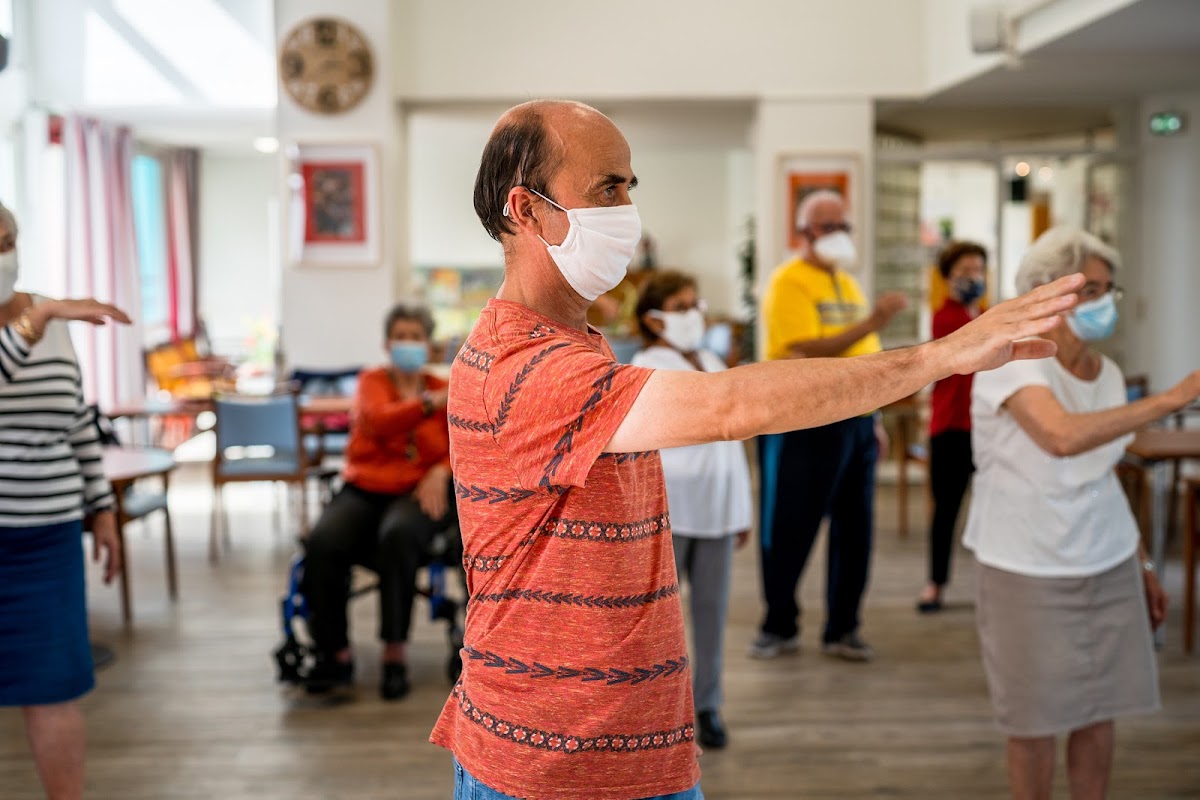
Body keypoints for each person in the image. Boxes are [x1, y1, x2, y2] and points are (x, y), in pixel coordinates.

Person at [428, 99, 1083, 800]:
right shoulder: (521, 365)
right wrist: (939, 357)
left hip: (631, 745)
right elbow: (731, 406)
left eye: (629, 186)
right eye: (608, 189)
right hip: (551, 762)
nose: (627, 209)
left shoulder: (575, 342)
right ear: (527, 210)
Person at [965, 226, 1200, 800]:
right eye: (1089, 288)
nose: (1102, 301)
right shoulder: (1011, 361)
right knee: (1035, 721)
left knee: (1100, 711)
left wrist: (1142, 563)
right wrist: (1170, 400)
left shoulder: (1109, 374)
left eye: (1108, 289)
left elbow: (1103, 473)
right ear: (1047, 291)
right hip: (1026, 566)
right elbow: (1063, 438)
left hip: (1109, 558)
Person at [0, 201, 130, 800]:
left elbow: (77, 421)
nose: (5, 255)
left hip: (47, 538)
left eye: (8, 241)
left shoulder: (47, 317)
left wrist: (101, 507)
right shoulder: (43, 318)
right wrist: (41, 318)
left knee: (53, 690)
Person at [752, 189, 910, 663]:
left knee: (855, 529)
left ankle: (843, 627)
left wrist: (874, 417)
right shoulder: (788, 282)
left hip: (855, 426)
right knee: (788, 527)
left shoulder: (846, 283)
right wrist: (874, 320)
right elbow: (805, 350)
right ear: (803, 233)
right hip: (803, 423)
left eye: (844, 225)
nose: (838, 235)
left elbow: (862, 358)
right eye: (828, 226)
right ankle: (778, 625)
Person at [300, 302, 453, 701]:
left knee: (399, 536)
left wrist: (443, 469)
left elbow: (470, 442)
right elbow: (378, 421)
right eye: (400, 336)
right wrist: (427, 405)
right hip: (364, 487)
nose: (407, 344)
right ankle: (335, 652)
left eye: (415, 337)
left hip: (418, 489)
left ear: (429, 345)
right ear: (387, 343)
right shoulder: (372, 382)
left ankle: (394, 652)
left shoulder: (443, 389)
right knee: (323, 543)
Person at [630, 270, 753, 750]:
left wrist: (740, 509)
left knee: (712, 612)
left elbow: (732, 439)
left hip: (719, 507)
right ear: (655, 320)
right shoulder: (646, 364)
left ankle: (708, 704)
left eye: (695, 304)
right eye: (681, 307)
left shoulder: (710, 358)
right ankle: (659, 710)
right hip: (671, 510)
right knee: (660, 619)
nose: (694, 315)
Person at [917, 241, 988, 613]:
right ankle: (935, 584)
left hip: (986, 428)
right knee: (946, 509)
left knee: (993, 507)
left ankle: (994, 583)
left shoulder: (987, 314)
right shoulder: (944, 318)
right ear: (946, 278)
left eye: (978, 269)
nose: (972, 277)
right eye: (963, 271)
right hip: (950, 428)